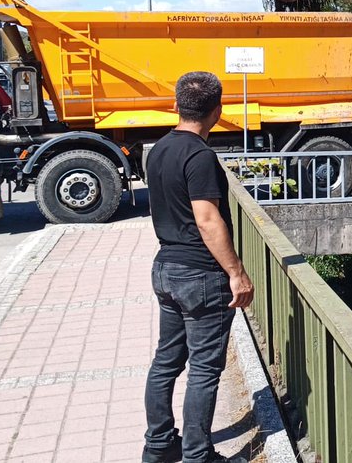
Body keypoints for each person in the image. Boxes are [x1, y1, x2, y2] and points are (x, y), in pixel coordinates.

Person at [143, 71, 255, 463]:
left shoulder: (158, 150)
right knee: (205, 370)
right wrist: (236, 272)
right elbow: (207, 220)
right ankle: (197, 455)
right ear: (217, 112)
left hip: (165, 268)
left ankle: (158, 447)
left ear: (175, 106)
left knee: (166, 361)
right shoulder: (201, 156)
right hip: (200, 276)